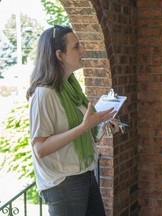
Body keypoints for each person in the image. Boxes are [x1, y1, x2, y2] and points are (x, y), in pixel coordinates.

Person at [26, 25, 119, 216]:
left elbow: (83, 133)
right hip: (64, 183)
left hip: (85, 175)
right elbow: (40, 149)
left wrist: (101, 126)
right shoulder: (44, 94)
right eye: (76, 46)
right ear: (59, 55)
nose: (83, 50)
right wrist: (85, 126)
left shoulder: (71, 88)